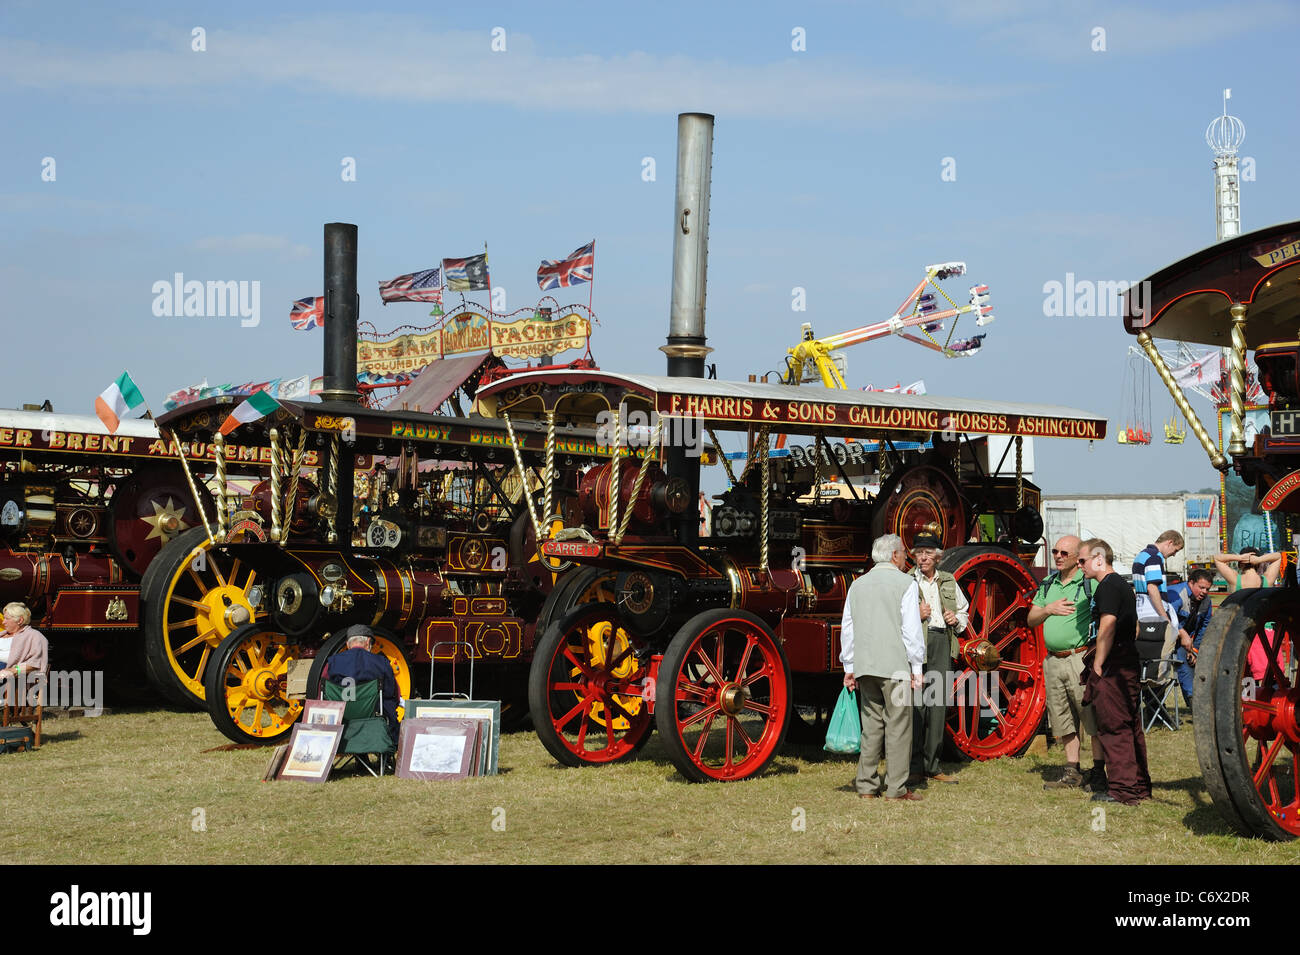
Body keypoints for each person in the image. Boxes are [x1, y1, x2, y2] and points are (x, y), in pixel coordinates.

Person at [840, 533, 926, 802]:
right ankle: (896, 789)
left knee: (872, 726)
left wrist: (849, 665)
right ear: (893, 555)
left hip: (866, 665)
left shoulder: (858, 585)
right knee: (899, 727)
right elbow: (911, 630)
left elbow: (848, 628)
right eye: (902, 552)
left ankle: (866, 785)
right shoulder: (905, 583)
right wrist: (917, 668)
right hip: (896, 668)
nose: (905, 557)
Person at [1031, 536, 1105, 791]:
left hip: (1078, 659)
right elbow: (1031, 618)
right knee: (1062, 719)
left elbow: (1110, 606)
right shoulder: (1048, 583)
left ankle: (1098, 771)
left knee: (1090, 717)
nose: (1058, 556)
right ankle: (1072, 771)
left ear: (1077, 557)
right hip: (1053, 660)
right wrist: (1048, 609)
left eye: (1064, 552)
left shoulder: (1089, 583)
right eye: (1055, 551)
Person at [1081, 538, 1151, 805]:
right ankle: (1139, 787)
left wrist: (1098, 664)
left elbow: (1107, 627)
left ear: (1099, 559)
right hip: (1127, 660)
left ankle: (1122, 790)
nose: (1080, 566)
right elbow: (1135, 628)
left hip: (1115, 663)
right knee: (1131, 726)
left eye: (1083, 561)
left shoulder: (1107, 587)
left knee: (1114, 726)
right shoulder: (1123, 585)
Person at [907, 529, 967, 786]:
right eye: (919, 553)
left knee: (938, 704)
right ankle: (914, 766)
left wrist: (957, 620)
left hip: (942, 640)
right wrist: (914, 614)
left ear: (938, 557)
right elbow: (896, 618)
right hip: (917, 643)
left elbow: (963, 612)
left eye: (927, 553)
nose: (922, 558)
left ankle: (933, 765)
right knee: (916, 705)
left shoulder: (949, 581)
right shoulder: (906, 581)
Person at [322, 626, 400, 742]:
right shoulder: (381, 662)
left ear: (348, 645)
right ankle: (385, 756)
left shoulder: (332, 662)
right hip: (373, 724)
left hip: (341, 724)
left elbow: (323, 691)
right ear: (368, 642)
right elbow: (392, 693)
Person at [1132, 530, 1184, 677]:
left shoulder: (1142, 555)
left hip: (1142, 612)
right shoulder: (1155, 558)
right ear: (1170, 542)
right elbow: (1152, 588)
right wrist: (1164, 618)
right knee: (1159, 664)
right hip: (1153, 615)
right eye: (1175, 550)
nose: (1174, 554)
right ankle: (1156, 697)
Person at [1166, 569, 1213, 707]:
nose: (1204, 592)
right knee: (1181, 660)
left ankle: (1195, 700)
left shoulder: (1206, 602)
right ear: (1191, 583)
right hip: (1164, 636)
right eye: (1201, 587)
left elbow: (1204, 628)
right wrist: (1182, 634)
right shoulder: (1177, 594)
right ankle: (1194, 701)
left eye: (1207, 589)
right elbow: (1167, 617)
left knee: (1191, 662)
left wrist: (1195, 651)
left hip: (1185, 640)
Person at [0, 602, 49, 708]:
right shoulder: (2, 635)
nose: (3, 622)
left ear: (20, 620)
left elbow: (36, 663)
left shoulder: (34, 637)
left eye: (7, 619)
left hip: (10, 677)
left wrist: (14, 670)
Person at [1213, 548, 1281, 591]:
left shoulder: (1235, 579)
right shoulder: (1268, 580)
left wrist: (1240, 558)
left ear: (1240, 564)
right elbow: (1278, 556)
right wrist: (1259, 559)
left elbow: (1217, 558)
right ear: (1258, 564)